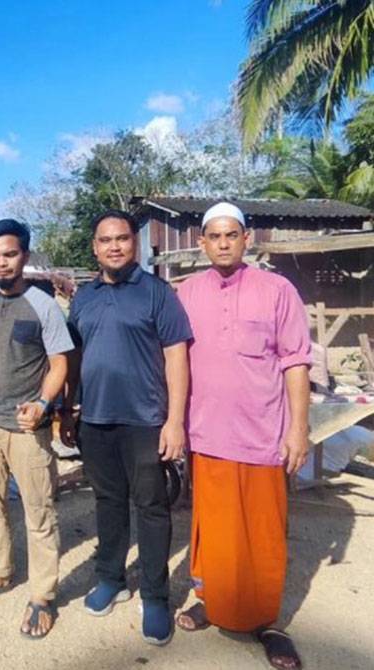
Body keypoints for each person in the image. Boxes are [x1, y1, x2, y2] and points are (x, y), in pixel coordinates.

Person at [175, 203, 310, 670]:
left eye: (232, 234)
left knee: (264, 532)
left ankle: (266, 620)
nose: (224, 242)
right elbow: (172, 361)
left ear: (246, 239)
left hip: (262, 433)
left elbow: (295, 360)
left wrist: (299, 427)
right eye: (214, 236)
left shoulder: (277, 290)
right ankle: (212, 602)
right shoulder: (187, 293)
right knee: (212, 530)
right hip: (207, 433)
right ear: (202, 242)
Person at [60, 209, 191, 646]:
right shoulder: (83, 298)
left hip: (145, 420)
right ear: (94, 247)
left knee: (151, 507)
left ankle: (155, 596)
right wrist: (67, 409)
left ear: (134, 243)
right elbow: (74, 357)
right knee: (108, 501)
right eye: (105, 240)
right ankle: (111, 578)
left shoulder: (157, 293)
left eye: (122, 238)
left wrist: (175, 421)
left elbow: (177, 356)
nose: (114, 246)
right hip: (95, 419)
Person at [0, 219, 74, 639]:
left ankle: (43, 595)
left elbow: (60, 362)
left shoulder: (44, 306)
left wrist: (45, 404)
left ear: (24, 256)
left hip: (28, 428)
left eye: (10, 254)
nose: (2, 263)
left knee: (39, 511)